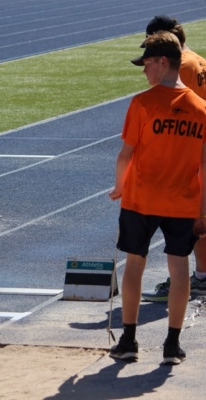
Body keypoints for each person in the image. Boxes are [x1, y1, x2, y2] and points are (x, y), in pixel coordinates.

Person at [108, 31, 206, 365]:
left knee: (135, 264)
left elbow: (126, 155)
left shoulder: (143, 104)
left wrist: (119, 186)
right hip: (182, 202)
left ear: (163, 63)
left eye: (147, 64)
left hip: (140, 200)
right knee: (180, 270)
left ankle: (129, 340)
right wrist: (203, 210)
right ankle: (171, 346)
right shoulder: (202, 110)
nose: (144, 71)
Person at [137, 16, 206, 301]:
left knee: (189, 216)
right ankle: (201, 275)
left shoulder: (184, 66)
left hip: (194, 147)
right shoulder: (198, 59)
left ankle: (198, 277)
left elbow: (177, 108)